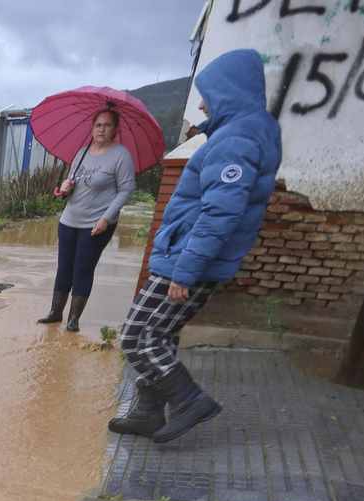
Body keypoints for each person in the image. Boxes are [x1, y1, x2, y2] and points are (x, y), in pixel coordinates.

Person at [110, 48, 281, 443]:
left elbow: (220, 214)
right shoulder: (246, 131)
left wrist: (185, 270)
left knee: (137, 337)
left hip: (188, 260)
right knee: (162, 335)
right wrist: (207, 131)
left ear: (230, 93)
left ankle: (189, 401)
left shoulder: (236, 140)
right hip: (193, 256)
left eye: (209, 94)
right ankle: (148, 411)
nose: (202, 102)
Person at [38, 108, 135, 332]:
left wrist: (106, 219)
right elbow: (73, 186)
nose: (101, 129)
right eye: (98, 125)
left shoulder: (121, 156)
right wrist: (64, 189)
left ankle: (73, 319)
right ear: (92, 129)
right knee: (64, 267)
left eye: (107, 125)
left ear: (115, 130)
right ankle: (55, 313)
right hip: (69, 220)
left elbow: (126, 190)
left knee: (82, 268)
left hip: (96, 224)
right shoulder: (82, 153)